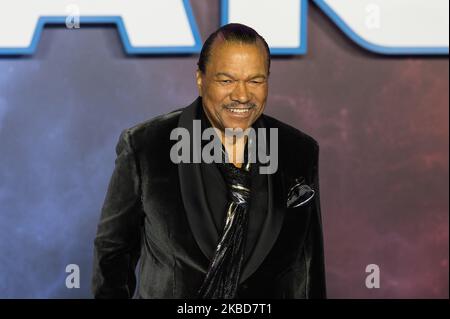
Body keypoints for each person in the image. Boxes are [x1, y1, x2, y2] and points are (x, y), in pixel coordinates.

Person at [92, 23, 326, 299]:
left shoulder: (298, 151)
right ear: (200, 80)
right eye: (226, 80)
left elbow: (309, 264)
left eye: (255, 80)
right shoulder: (146, 146)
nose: (242, 95)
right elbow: (113, 253)